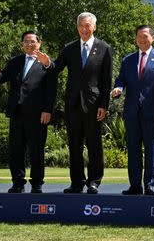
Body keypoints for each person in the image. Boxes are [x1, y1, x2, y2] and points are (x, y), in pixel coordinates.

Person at [38, 12, 112, 194]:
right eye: (81, 25)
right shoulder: (69, 48)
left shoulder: (104, 48)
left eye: (87, 25)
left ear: (94, 26)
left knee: (94, 145)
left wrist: (104, 105)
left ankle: (94, 181)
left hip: (94, 105)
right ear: (77, 27)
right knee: (75, 145)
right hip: (73, 105)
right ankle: (77, 182)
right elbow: (56, 68)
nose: (84, 29)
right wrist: (48, 63)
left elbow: (106, 80)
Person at [0, 31, 56, 193]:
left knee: (36, 150)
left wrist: (47, 109)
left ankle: (37, 183)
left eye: (32, 41)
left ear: (39, 43)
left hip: (38, 114)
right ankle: (18, 182)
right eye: (26, 41)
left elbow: (51, 89)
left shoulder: (46, 62)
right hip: (17, 112)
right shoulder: (15, 61)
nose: (29, 44)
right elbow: (3, 77)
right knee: (16, 150)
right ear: (22, 44)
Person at [111, 25, 154, 196]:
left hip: (152, 113)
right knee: (133, 149)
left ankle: (150, 185)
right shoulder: (127, 60)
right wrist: (118, 89)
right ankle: (135, 185)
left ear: (153, 38)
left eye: (145, 36)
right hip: (131, 112)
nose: (142, 39)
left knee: (151, 150)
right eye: (139, 36)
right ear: (136, 39)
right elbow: (121, 80)